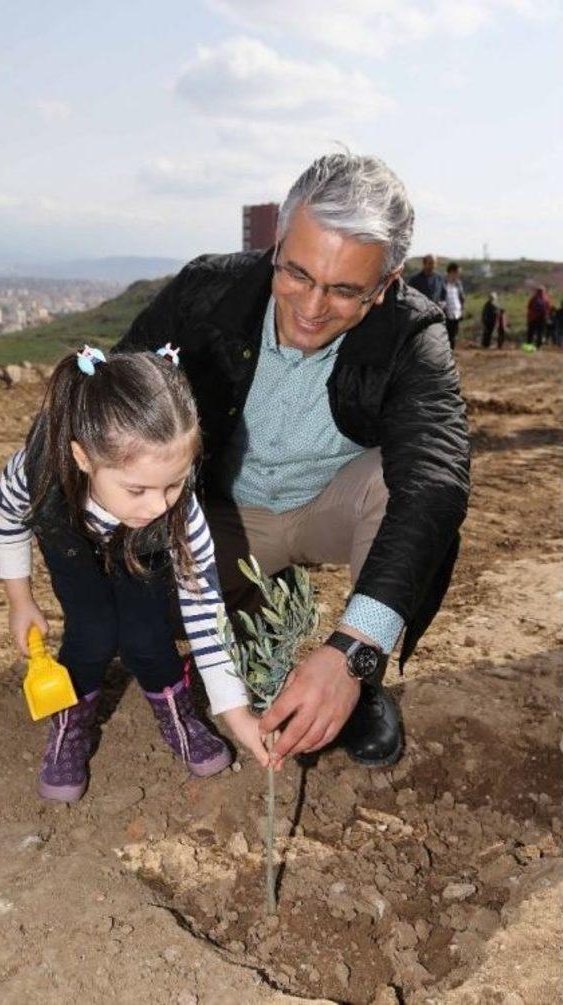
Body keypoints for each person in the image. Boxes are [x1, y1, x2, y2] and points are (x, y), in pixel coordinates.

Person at [116, 151, 470, 771]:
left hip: (328, 506)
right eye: (298, 273)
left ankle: (355, 685)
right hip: (218, 517)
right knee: (136, 615)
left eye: (342, 290)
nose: (310, 307)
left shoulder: (414, 334)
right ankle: (256, 608)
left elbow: (435, 480)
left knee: (406, 484)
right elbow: (112, 399)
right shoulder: (208, 292)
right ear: (277, 244)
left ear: (385, 285)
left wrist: (352, 652)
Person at [0, 346, 268, 803]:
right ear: (83, 458)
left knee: (146, 635)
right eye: (136, 489)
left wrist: (237, 715)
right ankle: (71, 725)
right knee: (91, 633)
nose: (158, 505)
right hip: (71, 541)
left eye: (174, 484)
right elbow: (5, 520)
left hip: (143, 552)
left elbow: (205, 615)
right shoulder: (38, 470)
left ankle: (178, 714)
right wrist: (19, 600)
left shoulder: (177, 516)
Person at [443, 262, 465, 350]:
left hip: (456, 314)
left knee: (453, 336)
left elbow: (461, 298)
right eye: (457, 273)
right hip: (445, 314)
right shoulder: (442, 283)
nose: (458, 275)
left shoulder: (458, 284)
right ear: (452, 272)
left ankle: (451, 354)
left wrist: (462, 310)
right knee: (446, 336)